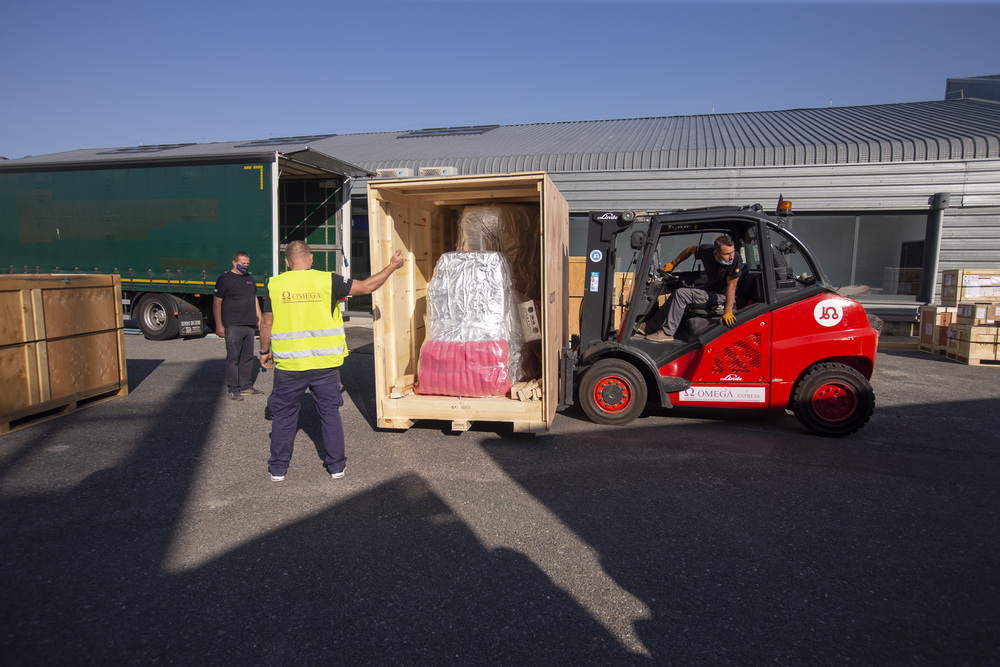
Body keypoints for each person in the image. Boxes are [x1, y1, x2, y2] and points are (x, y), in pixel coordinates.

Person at [259, 241, 404, 482]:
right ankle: (336, 467)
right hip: (325, 366)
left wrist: (265, 351)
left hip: (289, 367)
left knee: (284, 417)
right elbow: (367, 287)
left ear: (287, 262)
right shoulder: (329, 280)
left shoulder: (275, 284)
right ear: (311, 258)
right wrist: (392, 266)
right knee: (329, 414)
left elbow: (266, 322)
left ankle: (278, 469)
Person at [644, 235, 743, 342]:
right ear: (716, 253)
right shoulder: (706, 250)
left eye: (732, 252)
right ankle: (650, 326)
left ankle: (668, 333)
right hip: (711, 288)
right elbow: (690, 249)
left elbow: (731, 286)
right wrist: (674, 264)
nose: (731, 256)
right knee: (677, 294)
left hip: (724, 296)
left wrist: (728, 311)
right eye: (727, 254)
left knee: (681, 294)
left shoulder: (736, 259)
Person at [214, 251, 263, 400]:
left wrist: (259, 318)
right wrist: (219, 325)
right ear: (234, 262)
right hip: (233, 324)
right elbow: (217, 302)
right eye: (242, 263)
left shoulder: (249, 278)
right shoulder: (224, 279)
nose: (245, 266)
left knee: (247, 357)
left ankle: (246, 387)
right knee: (233, 358)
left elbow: (254, 298)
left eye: (247, 263)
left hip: (249, 324)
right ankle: (233, 389)